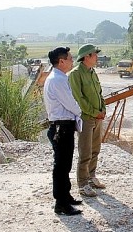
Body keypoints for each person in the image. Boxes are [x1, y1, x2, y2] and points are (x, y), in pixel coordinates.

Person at [43, 47, 83, 216]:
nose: (72, 62)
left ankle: (65, 196)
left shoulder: (58, 77)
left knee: (65, 164)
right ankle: (61, 203)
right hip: (62, 126)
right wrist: (80, 111)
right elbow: (70, 103)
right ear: (61, 61)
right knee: (61, 165)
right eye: (70, 59)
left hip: (63, 125)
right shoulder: (57, 80)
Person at [69, 44, 107, 197]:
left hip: (97, 117)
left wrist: (102, 109)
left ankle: (91, 177)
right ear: (86, 57)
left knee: (95, 149)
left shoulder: (92, 72)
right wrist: (94, 112)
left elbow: (99, 93)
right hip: (86, 118)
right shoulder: (76, 74)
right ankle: (83, 184)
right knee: (85, 151)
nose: (97, 57)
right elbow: (79, 99)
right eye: (94, 55)